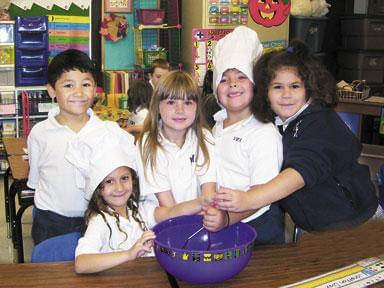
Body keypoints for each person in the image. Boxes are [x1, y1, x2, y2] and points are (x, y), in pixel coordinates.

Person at [216, 39, 380, 232]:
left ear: (309, 88)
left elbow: (299, 173)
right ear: (265, 93)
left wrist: (249, 199)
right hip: (317, 227)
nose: (286, 94)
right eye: (277, 87)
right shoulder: (280, 123)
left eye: (295, 86)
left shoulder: (320, 121)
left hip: (359, 223)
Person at [65, 123, 206, 274]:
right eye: (109, 181)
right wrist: (129, 254)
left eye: (124, 178)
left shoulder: (141, 209)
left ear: (133, 180)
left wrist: (202, 202)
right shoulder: (100, 220)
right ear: (98, 188)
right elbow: (82, 263)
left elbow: (171, 213)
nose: (119, 188)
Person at [211, 26, 285, 245]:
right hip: (223, 223)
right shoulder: (216, 124)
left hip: (257, 227)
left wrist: (226, 219)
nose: (232, 83)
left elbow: (262, 196)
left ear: (256, 86)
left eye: (241, 77)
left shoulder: (263, 133)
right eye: (224, 79)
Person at [27, 49, 105, 245]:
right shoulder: (39, 133)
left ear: (95, 88)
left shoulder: (106, 133)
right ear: (51, 90)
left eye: (86, 84)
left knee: (95, 272)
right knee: (52, 271)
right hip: (51, 221)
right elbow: (36, 180)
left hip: (97, 219)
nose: (79, 93)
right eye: (68, 85)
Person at [136, 71, 221, 230]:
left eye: (188, 102)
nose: (180, 110)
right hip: (162, 226)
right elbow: (166, 203)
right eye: (171, 102)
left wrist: (208, 212)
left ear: (197, 107)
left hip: (198, 222)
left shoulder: (204, 137)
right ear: (157, 106)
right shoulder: (148, 143)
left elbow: (208, 190)